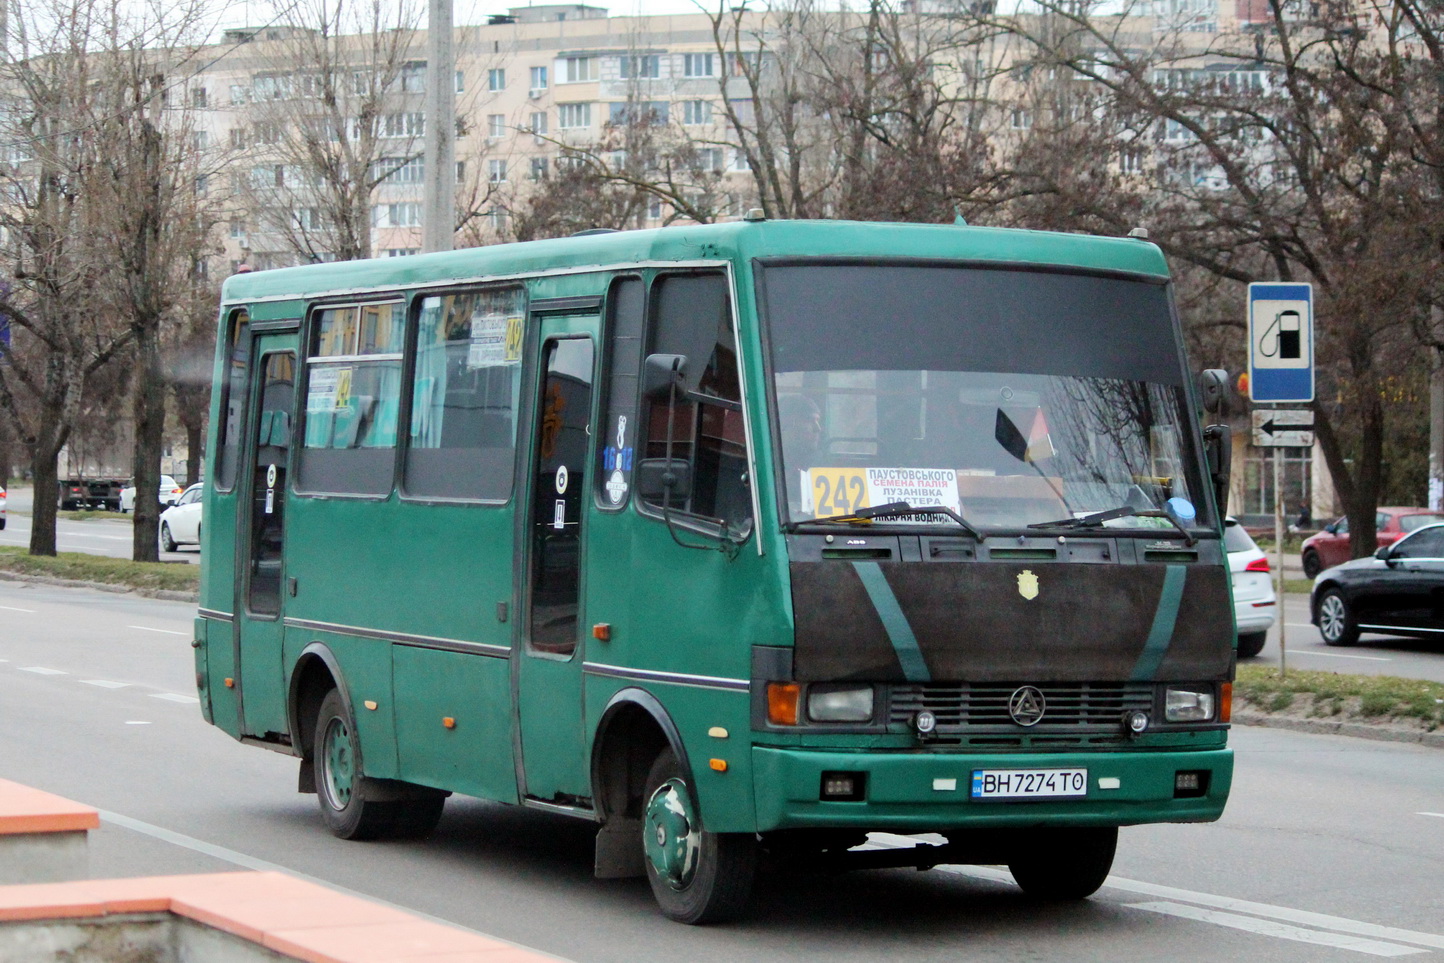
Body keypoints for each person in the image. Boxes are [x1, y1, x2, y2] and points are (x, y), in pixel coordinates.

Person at [777, 394, 822, 511]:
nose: (818, 429)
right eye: (809, 420)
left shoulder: (822, 465)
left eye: (818, 421)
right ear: (786, 424)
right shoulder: (770, 465)